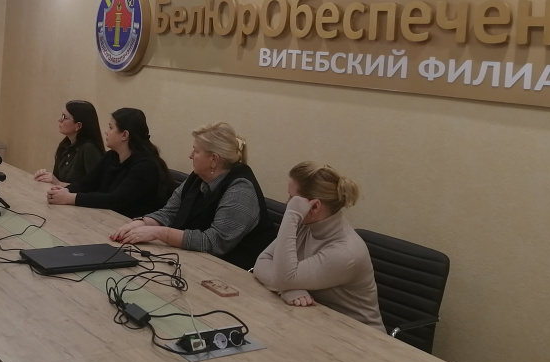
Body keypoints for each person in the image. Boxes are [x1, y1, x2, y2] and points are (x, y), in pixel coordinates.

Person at [111, 122, 276, 269]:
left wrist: (158, 233)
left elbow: (214, 242)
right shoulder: (198, 177)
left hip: (234, 274)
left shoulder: (240, 190)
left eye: (196, 151)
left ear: (214, 159)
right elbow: (169, 212)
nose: (190, 156)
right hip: (196, 262)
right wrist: (141, 223)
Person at [253, 161, 385, 332]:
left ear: (314, 206)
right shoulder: (305, 225)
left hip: (360, 338)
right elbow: (262, 261)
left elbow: (283, 279)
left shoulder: (346, 252)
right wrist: (288, 289)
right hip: (317, 324)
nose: (287, 204)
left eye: (292, 199)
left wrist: (292, 215)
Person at [46, 108, 170, 218]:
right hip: (105, 217)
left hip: (130, 225)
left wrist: (71, 198)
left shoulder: (145, 166)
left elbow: (115, 200)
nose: (106, 132)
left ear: (124, 135)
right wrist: (65, 191)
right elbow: (87, 183)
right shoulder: (111, 156)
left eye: (111, 128)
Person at [33, 100, 105, 187]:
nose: (60, 120)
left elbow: (96, 187)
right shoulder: (64, 145)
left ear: (78, 126)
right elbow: (56, 180)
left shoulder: (88, 148)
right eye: (61, 116)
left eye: (65, 117)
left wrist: (59, 183)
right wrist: (45, 176)